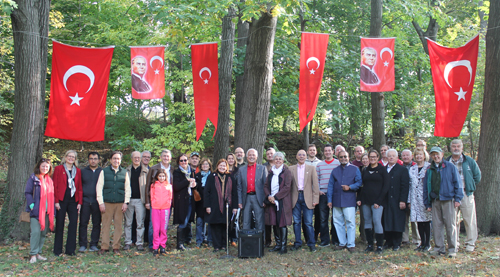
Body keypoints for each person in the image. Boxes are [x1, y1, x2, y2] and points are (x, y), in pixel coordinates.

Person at [424, 146, 463, 258]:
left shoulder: (450, 167)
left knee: (450, 225)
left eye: (437, 154)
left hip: (448, 200)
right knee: (436, 225)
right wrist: (427, 203)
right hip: (435, 201)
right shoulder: (429, 170)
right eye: (433, 154)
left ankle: (452, 248)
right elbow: (426, 188)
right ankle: (439, 248)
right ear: (431, 156)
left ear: (442, 154)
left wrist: (458, 198)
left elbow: (458, 183)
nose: (435, 156)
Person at [446, 139, 481, 252]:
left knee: (469, 219)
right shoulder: (446, 162)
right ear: (450, 148)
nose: (456, 148)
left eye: (458, 146)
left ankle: (470, 243)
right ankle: (454, 244)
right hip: (451, 195)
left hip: (466, 193)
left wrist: (469, 186)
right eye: (454, 146)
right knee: (453, 220)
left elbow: (477, 176)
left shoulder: (469, 161)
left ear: (462, 148)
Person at [97, 151, 131, 255]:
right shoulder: (104, 171)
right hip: (107, 202)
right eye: (114, 158)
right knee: (106, 225)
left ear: (121, 160)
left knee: (118, 226)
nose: (116, 160)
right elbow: (99, 187)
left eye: (118, 159)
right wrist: (101, 202)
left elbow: (128, 189)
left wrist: (126, 202)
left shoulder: (124, 172)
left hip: (119, 203)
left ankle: (116, 247)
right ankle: (104, 246)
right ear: (111, 160)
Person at [327, 151, 362, 253]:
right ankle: (342, 243)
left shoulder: (355, 169)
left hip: (349, 199)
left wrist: (350, 187)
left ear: (348, 157)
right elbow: (330, 186)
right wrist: (329, 200)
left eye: (345, 156)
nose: (343, 158)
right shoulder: (334, 171)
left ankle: (351, 244)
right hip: (337, 200)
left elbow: (359, 182)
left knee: (350, 222)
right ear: (338, 158)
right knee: (338, 222)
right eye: (341, 157)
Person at [357, 150, 390, 253]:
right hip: (366, 200)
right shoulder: (365, 170)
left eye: (374, 157)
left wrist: (379, 201)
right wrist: (359, 198)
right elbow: (362, 186)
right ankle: (370, 244)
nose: (372, 159)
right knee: (367, 221)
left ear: (377, 157)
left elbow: (386, 186)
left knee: (376, 221)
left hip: (378, 201)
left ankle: (379, 245)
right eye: (370, 157)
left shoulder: (382, 170)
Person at [204, 159, 238, 252]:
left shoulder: (230, 177)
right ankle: (217, 245)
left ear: (226, 167)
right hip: (214, 206)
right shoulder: (211, 177)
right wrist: (207, 206)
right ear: (217, 166)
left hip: (228, 206)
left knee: (225, 226)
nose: (222, 167)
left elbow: (234, 193)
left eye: (224, 166)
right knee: (216, 226)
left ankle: (224, 244)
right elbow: (206, 192)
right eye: (220, 165)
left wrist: (235, 207)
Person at [53, 150, 82, 256]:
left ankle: (70, 250)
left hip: (73, 200)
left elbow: (79, 187)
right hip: (61, 200)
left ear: (75, 159)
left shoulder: (78, 171)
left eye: (73, 157)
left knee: (73, 223)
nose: (71, 158)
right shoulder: (58, 169)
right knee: (60, 224)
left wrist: (79, 202)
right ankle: (57, 250)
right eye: (69, 156)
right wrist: (56, 201)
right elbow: (55, 186)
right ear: (65, 157)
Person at [289, 150, 319, 252]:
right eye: (299, 155)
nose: (301, 156)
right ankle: (297, 242)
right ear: (296, 157)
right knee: (296, 222)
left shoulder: (311, 168)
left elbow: (315, 185)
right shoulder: (291, 169)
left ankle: (311, 243)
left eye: (303, 155)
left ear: (306, 157)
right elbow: (288, 186)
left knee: (308, 222)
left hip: (308, 198)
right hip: (295, 198)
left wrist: (315, 199)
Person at [25, 158, 55, 263]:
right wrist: (32, 205)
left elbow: (52, 196)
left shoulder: (50, 180)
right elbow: (28, 192)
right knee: (36, 232)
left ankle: (38, 253)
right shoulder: (33, 178)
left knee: (43, 233)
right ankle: (33, 254)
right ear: (39, 167)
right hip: (36, 211)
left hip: (47, 211)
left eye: (47, 166)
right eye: (43, 166)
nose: (45, 168)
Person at [145, 150, 174, 251]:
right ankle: (152, 245)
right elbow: (148, 186)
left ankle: (162, 245)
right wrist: (147, 201)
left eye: (168, 156)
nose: (166, 158)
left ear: (170, 158)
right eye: (164, 156)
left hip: (166, 204)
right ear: (161, 157)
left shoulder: (172, 169)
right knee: (153, 225)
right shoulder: (154, 168)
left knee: (164, 225)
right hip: (155, 204)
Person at [264, 152, 293, 254]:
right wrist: (269, 197)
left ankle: (283, 246)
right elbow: (266, 185)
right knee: (274, 222)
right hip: (271, 201)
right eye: (276, 159)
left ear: (283, 160)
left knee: (282, 223)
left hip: (282, 201)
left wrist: (276, 197)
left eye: (280, 159)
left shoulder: (287, 172)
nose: (278, 161)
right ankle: (278, 244)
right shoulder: (271, 172)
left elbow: (287, 187)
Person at [383, 149, 409, 251]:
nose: (391, 157)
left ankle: (397, 242)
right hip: (386, 200)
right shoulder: (383, 169)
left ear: (397, 157)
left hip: (398, 199)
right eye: (389, 156)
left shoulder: (402, 170)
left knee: (397, 221)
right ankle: (388, 241)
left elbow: (405, 186)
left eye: (393, 156)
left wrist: (403, 200)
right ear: (386, 157)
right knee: (387, 220)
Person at [315, 144, 341, 247]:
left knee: (335, 217)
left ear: (333, 152)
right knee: (323, 218)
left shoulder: (338, 163)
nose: (327, 152)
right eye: (325, 151)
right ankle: (324, 240)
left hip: (335, 195)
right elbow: (316, 180)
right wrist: (318, 190)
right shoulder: (319, 165)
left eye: (329, 151)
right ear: (323, 152)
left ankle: (335, 239)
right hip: (323, 194)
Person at [237, 149, 267, 232]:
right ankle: (246, 243)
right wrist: (240, 201)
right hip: (246, 198)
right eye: (250, 155)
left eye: (253, 155)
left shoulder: (262, 169)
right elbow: (239, 187)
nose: (251, 157)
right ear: (246, 157)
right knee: (246, 221)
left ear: (257, 157)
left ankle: (260, 242)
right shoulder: (241, 170)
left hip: (258, 198)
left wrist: (265, 200)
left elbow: (266, 186)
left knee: (259, 221)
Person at [124, 151, 148, 251]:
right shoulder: (127, 170)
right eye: (135, 157)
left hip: (140, 201)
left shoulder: (145, 171)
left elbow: (148, 188)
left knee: (140, 223)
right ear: (131, 158)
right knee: (128, 223)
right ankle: (128, 242)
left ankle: (139, 242)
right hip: (129, 200)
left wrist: (147, 201)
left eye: (138, 157)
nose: (137, 159)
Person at [408, 148, 432, 252]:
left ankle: (427, 243)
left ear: (424, 156)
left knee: (426, 221)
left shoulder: (429, 167)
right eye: (417, 155)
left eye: (420, 155)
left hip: (425, 198)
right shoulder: (412, 168)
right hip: (414, 199)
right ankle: (421, 243)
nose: (418, 157)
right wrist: (409, 200)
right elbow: (410, 185)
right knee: (418, 221)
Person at [78, 152, 102, 253]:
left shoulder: (102, 172)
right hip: (85, 201)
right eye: (91, 158)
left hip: (97, 201)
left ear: (98, 160)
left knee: (96, 223)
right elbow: (79, 186)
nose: (93, 160)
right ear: (88, 160)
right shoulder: (83, 172)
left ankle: (94, 244)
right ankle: (83, 244)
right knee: (83, 223)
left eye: (95, 158)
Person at [172, 154, 196, 251]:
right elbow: (176, 186)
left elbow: (196, 185)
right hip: (181, 200)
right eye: (181, 161)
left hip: (191, 199)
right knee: (183, 220)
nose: (183, 162)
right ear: (178, 162)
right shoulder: (177, 173)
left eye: (185, 160)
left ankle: (186, 239)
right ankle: (179, 244)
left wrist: (195, 184)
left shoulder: (192, 172)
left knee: (189, 220)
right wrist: (187, 181)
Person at [149, 169, 173, 256]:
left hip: (165, 209)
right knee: (156, 229)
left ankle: (162, 246)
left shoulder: (169, 186)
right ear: (157, 177)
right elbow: (152, 196)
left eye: (163, 176)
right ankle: (155, 247)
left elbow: (170, 196)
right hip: (155, 208)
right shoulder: (153, 186)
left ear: (165, 177)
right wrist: (153, 203)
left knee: (163, 229)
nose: (161, 178)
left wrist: (168, 204)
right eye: (160, 176)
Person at [401, 149, 420, 246]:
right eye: (403, 156)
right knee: (404, 219)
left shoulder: (416, 167)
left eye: (407, 155)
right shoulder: (400, 167)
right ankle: (405, 239)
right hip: (403, 196)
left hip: (414, 196)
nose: (405, 157)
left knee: (414, 219)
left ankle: (416, 239)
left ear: (411, 156)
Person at [194, 158, 212, 247]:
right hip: (199, 202)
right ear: (200, 166)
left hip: (210, 202)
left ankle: (209, 240)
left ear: (209, 166)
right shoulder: (197, 176)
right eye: (203, 164)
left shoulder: (213, 176)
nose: (205, 166)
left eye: (207, 164)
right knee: (199, 222)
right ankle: (199, 240)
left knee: (210, 222)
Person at [135, 150, 152, 246]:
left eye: (148, 157)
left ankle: (146, 238)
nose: (146, 158)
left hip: (148, 199)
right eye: (144, 157)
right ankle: (135, 239)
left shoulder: (151, 169)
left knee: (147, 219)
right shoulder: (137, 169)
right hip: (137, 198)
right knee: (136, 220)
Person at [262, 147, 276, 247]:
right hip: (266, 197)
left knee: (277, 220)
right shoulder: (263, 167)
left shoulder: (281, 166)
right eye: (268, 154)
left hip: (278, 198)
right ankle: (267, 240)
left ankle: (278, 240)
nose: (270, 155)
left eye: (271, 153)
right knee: (267, 220)